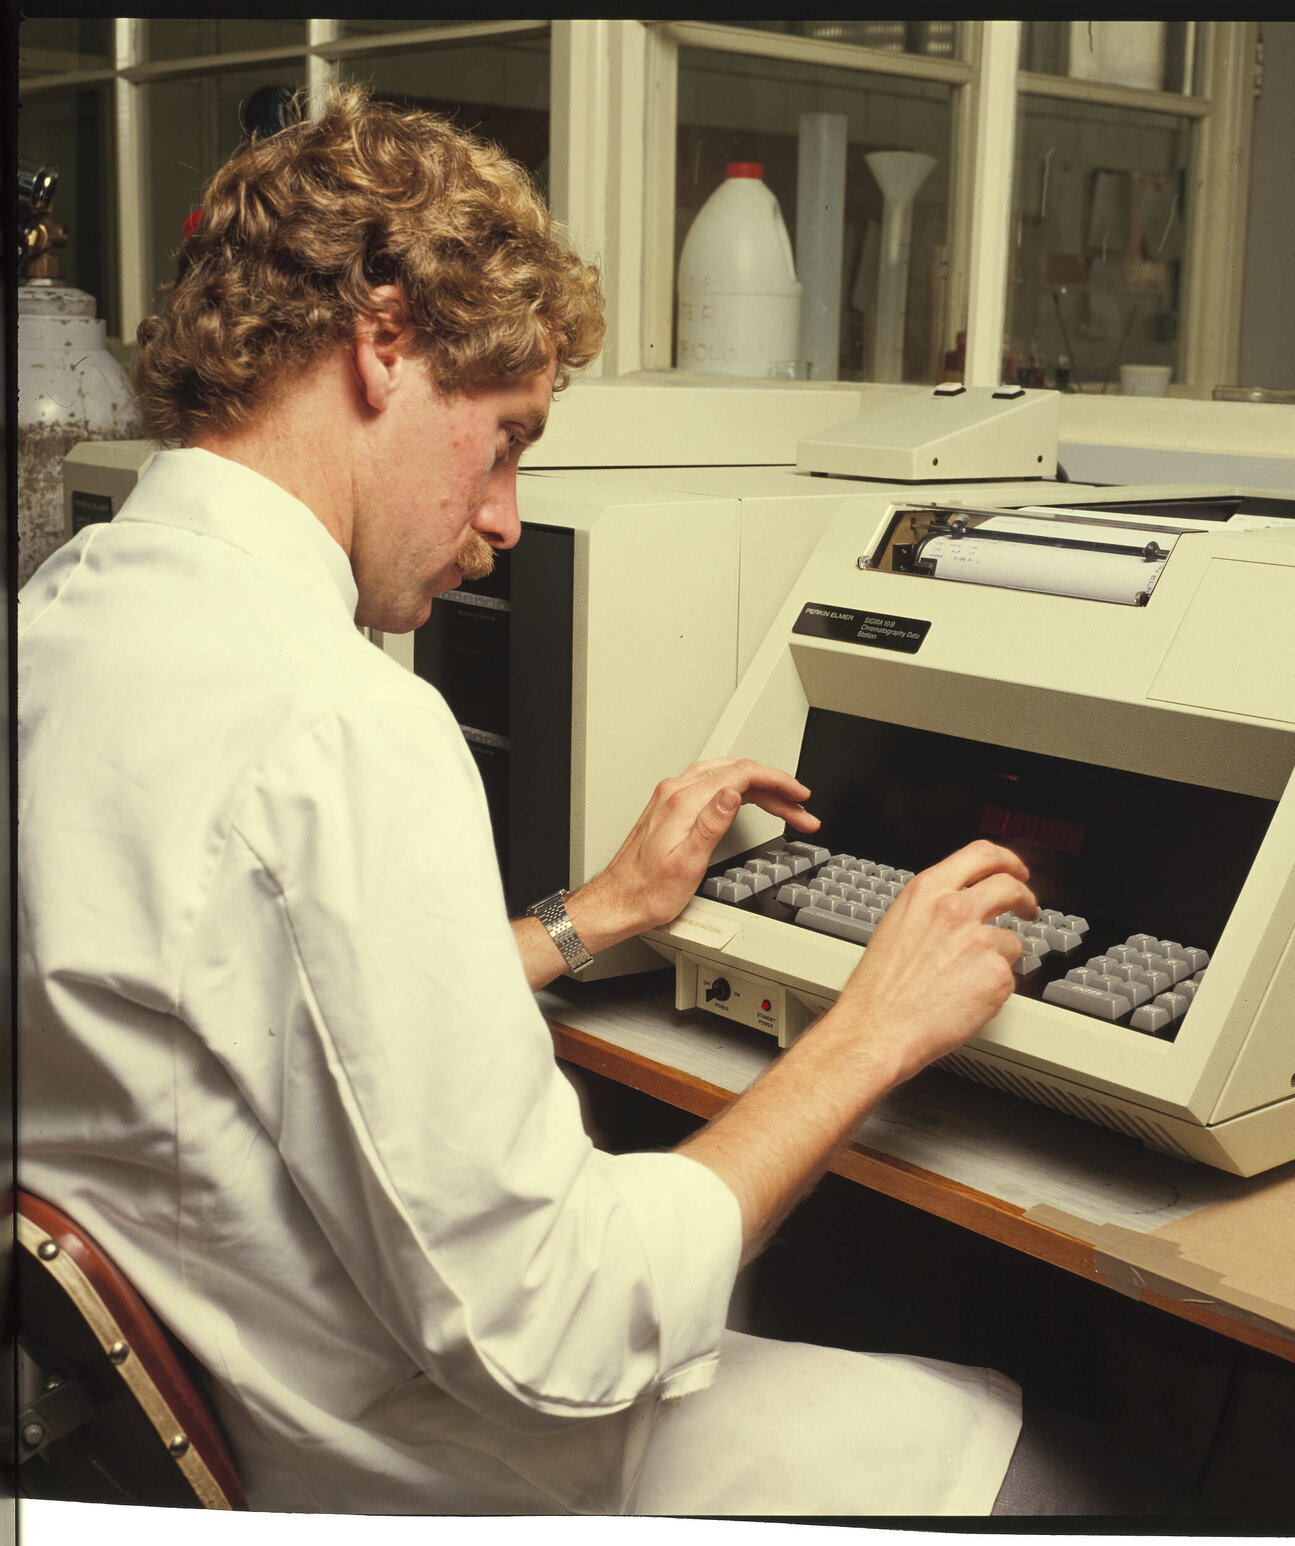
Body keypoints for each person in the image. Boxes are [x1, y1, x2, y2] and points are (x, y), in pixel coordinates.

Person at [18, 86, 1178, 1518]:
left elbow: (229, 1003)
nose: (505, 516)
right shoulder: (339, 723)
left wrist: (590, 918)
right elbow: (563, 1327)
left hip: (244, 1399)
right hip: (426, 1463)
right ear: (381, 338)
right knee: (1089, 1471)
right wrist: (866, 1033)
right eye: (503, 437)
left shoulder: (68, 621)